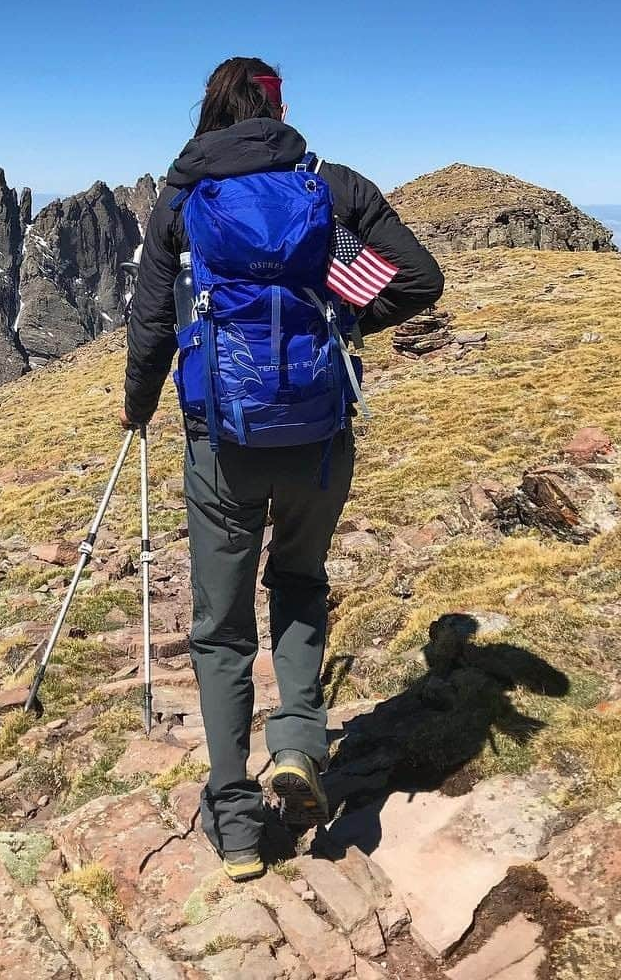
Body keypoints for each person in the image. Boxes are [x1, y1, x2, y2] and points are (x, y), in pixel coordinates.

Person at [122, 56, 444, 881]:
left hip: (220, 441)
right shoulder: (331, 187)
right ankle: (300, 745)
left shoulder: (185, 198)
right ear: (276, 108)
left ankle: (234, 819)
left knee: (220, 627)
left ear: (210, 109)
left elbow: (152, 319)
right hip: (319, 434)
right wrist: (348, 325)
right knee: (298, 582)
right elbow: (421, 278)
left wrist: (138, 403)